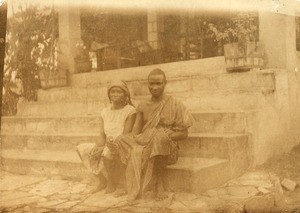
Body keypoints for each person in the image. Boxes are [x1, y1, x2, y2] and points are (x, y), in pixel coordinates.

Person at [115, 68, 193, 201]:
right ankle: (127, 182)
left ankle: (159, 184)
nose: (154, 87)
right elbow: (136, 133)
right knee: (120, 139)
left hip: (167, 147)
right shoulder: (142, 106)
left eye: (158, 83)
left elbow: (184, 133)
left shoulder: (175, 104)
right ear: (148, 84)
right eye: (151, 84)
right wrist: (128, 140)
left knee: (159, 137)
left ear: (165, 83)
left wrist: (168, 135)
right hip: (146, 142)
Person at [76, 80, 136, 196]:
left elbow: (126, 134)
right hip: (107, 144)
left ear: (125, 94)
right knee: (83, 149)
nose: (115, 94)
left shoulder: (130, 111)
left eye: (119, 91)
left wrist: (107, 146)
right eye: (112, 91)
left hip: (122, 144)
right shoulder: (104, 112)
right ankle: (103, 181)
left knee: (108, 152)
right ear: (109, 94)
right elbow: (102, 134)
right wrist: (98, 147)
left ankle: (118, 184)